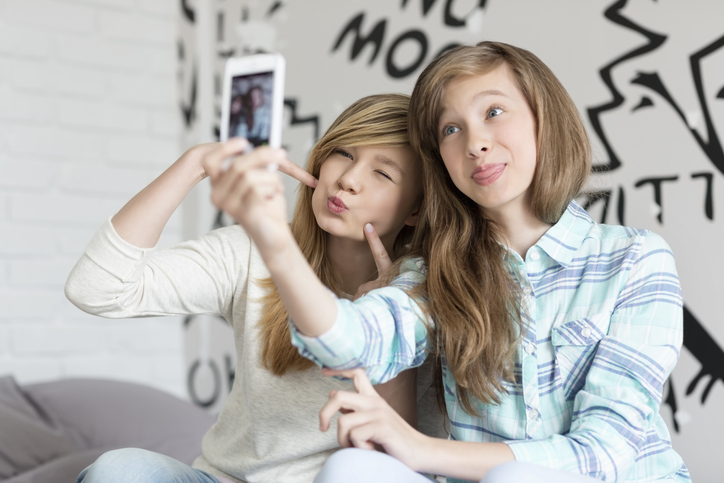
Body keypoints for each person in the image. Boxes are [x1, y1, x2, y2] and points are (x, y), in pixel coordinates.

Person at [225, 42, 689, 482]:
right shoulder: (436, 273)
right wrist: (275, 242)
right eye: (451, 129)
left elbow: (602, 453)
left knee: (514, 478)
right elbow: (349, 342)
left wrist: (420, 449)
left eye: (493, 112)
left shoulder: (634, 259)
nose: (475, 143)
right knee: (352, 469)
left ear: (543, 119)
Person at [64, 94, 427, 483]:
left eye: (382, 173)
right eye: (344, 153)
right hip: (225, 477)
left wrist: (387, 331)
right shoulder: (251, 251)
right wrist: (195, 163)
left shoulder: (424, 287)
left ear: (415, 210)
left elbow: (397, 458)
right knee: (120, 470)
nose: (348, 180)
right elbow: (96, 289)